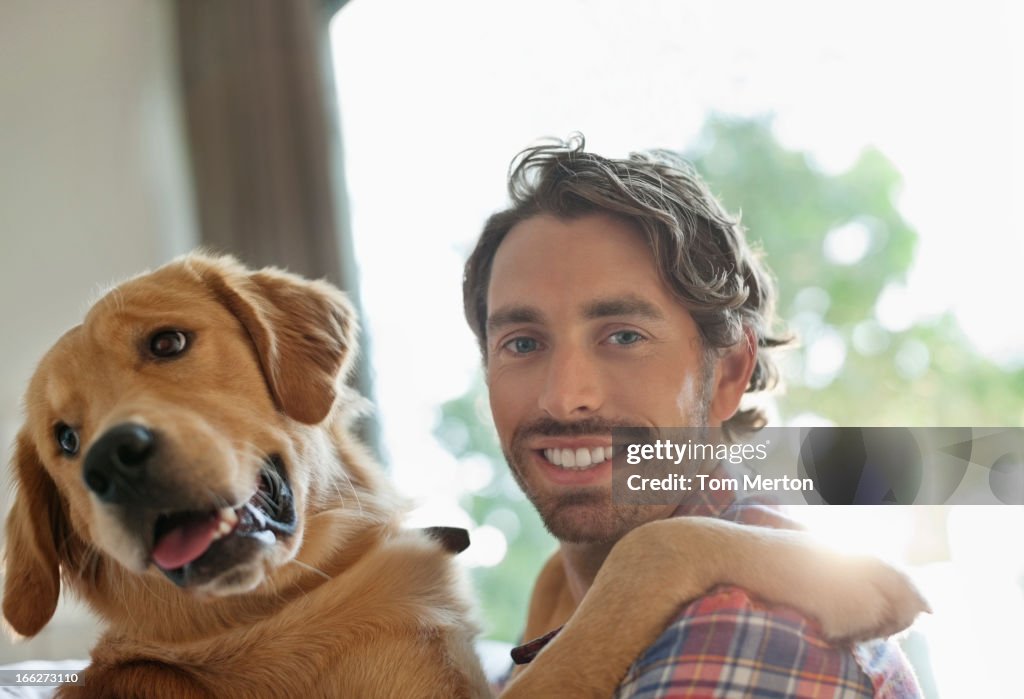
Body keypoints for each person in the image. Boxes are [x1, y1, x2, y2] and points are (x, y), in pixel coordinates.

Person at [462, 136, 922, 697]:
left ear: (729, 373)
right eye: (523, 344)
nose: (564, 397)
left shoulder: (749, 625)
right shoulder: (558, 611)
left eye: (624, 336)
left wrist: (667, 560)